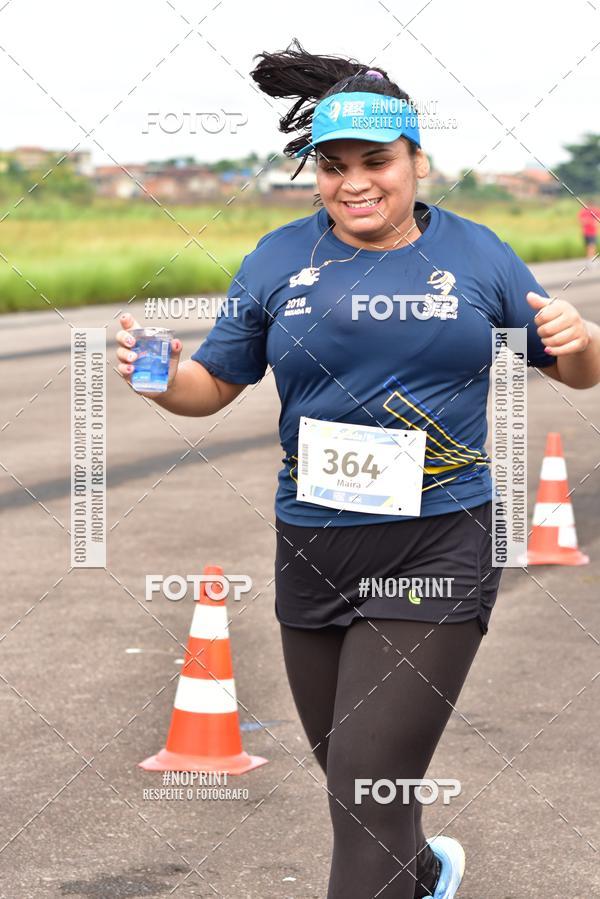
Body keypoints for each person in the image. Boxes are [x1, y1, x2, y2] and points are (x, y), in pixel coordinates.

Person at [116, 40, 600, 899]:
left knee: (370, 788)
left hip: (437, 547)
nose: (355, 183)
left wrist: (582, 341)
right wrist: (159, 377)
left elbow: (572, 368)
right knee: (353, 781)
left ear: (417, 160)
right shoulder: (276, 259)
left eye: (376, 161)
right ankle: (425, 873)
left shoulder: (479, 254)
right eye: (332, 166)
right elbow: (214, 385)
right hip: (311, 550)